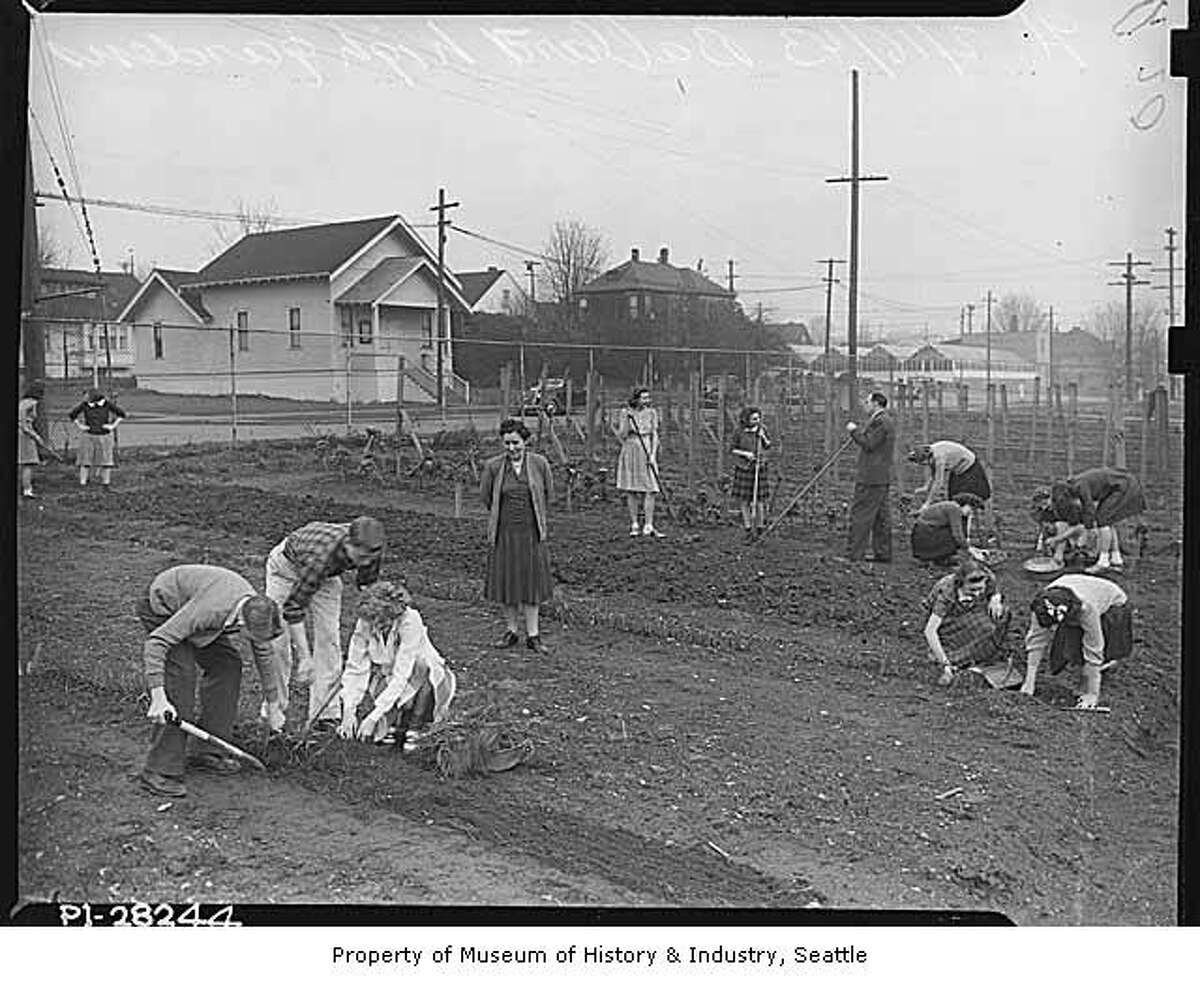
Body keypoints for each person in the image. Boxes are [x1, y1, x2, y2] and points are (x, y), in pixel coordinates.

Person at [138, 564, 286, 798]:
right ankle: (158, 771)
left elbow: (264, 653)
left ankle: (207, 750)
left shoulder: (257, 611)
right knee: (181, 677)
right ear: (241, 624)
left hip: (196, 612)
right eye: (253, 637)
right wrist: (158, 698)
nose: (258, 643)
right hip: (163, 607)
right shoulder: (211, 610)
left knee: (227, 664)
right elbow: (156, 643)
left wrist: (274, 703)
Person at [264, 515, 386, 732]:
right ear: (348, 544)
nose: (365, 562)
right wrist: (305, 658)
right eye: (361, 557)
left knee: (329, 641)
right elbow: (293, 609)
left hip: (328, 576)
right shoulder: (320, 557)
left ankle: (325, 714)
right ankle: (274, 712)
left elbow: (367, 586)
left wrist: (375, 624)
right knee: (278, 642)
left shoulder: (371, 548)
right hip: (285, 568)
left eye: (369, 558)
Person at [337, 580, 457, 752]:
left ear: (392, 613)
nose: (375, 625)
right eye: (372, 620)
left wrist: (372, 718)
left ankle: (416, 725)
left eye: (380, 620)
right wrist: (349, 711)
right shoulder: (366, 622)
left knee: (422, 667)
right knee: (385, 680)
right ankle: (395, 724)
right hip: (388, 674)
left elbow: (403, 674)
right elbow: (355, 667)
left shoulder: (410, 620)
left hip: (419, 675)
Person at [481, 418, 556, 654]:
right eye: (507, 443)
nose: (512, 448)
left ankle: (533, 635)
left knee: (531, 584)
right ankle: (511, 631)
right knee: (508, 583)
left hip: (531, 533)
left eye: (516, 443)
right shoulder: (493, 467)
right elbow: (487, 498)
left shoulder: (539, 464)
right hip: (504, 534)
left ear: (526, 441)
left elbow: (548, 494)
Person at [1020, 573, 1132, 709]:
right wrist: (1029, 683)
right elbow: (1036, 641)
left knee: (1094, 651)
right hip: (1077, 589)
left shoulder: (1087, 609)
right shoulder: (1041, 606)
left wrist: (1092, 694)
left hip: (1113, 606)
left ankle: (1103, 667)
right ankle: (1086, 673)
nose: (1054, 629)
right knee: (1072, 647)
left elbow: (1094, 649)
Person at [922, 558, 1010, 685]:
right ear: (960, 585)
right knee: (982, 627)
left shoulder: (986, 576)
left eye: (980, 589)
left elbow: (993, 586)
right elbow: (930, 631)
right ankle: (956, 657)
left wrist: (995, 598)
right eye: (972, 590)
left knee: (1000, 615)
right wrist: (945, 663)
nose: (978, 593)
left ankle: (986, 652)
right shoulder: (947, 593)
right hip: (948, 619)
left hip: (969, 608)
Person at [846, 391, 896, 563]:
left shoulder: (881, 422)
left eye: (867, 401)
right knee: (881, 517)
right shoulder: (883, 421)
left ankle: (855, 555)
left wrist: (854, 431)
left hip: (870, 478)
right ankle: (883, 554)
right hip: (880, 477)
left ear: (876, 403)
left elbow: (869, 444)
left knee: (861, 514)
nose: (864, 404)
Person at [1067, 467, 1146, 573]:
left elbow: (1088, 507)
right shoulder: (1077, 482)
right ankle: (1116, 559)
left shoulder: (1079, 486)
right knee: (1108, 520)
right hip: (1124, 484)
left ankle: (1103, 562)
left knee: (1103, 521)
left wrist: (1088, 530)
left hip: (1124, 486)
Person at [614, 387, 663, 537]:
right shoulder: (626, 413)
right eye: (643, 398)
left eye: (648, 398)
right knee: (632, 488)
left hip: (647, 448)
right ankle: (634, 524)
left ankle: (648, 524)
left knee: (651, 488)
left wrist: (653, 455)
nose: (647, 401)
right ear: (636, 399)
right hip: (631, 449)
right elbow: (622, 435)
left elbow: (654, 435)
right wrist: (628, 421)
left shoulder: (652, 413)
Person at [68, 387, 126, 489]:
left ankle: (105, 484)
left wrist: (112, 425)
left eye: (86, 395)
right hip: (88, 436)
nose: (84, 397)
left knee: (106, 460)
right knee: (85, 460)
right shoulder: (85, 405)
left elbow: (122, 414)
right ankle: (83, 483)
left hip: (104, 436)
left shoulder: (106, 404)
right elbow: (72, 415)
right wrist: (80, 425)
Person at [907, 440, 991, 509]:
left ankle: (962, 524)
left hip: (971, 470)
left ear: (927, 458)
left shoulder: (939, 458)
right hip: (957, 470)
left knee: (964, 502)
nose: (925, 465)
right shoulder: (931, 452)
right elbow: (934, 473)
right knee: (953, 500)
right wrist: (926, 487)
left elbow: (938, 482)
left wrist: (927, 504)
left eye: (923, 463)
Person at [729, 406, 772, 542]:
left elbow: (768, 445)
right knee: (744, 501)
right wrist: (745, 454)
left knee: (759, 500)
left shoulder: (762, 429)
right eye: (754, 419)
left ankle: (760, 528)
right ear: (746, 419)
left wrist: (763, 437)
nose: (757, 421)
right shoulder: (739, 432)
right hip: (744, 468)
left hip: (759, 468)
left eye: (758, 418)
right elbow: (732, 449)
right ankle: (748, 528)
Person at [910, 493, 988, 565]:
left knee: (958, 533)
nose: (970, 513)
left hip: (924, 534)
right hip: (925, 535)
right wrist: (971, 550)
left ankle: (938, 556)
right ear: (966, 505)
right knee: (954, 537)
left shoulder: (951, 506)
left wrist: (974, 549)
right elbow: (957, 534)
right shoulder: (954, 509)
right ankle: (936, 556)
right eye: (971, 509)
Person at [17, 379, 46, 499]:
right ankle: (27, 490)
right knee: (27, 463)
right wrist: (36, 436)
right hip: (25, 435)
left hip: (22, 432)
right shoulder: (32, 403)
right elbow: (24, 425)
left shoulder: (22, 402)